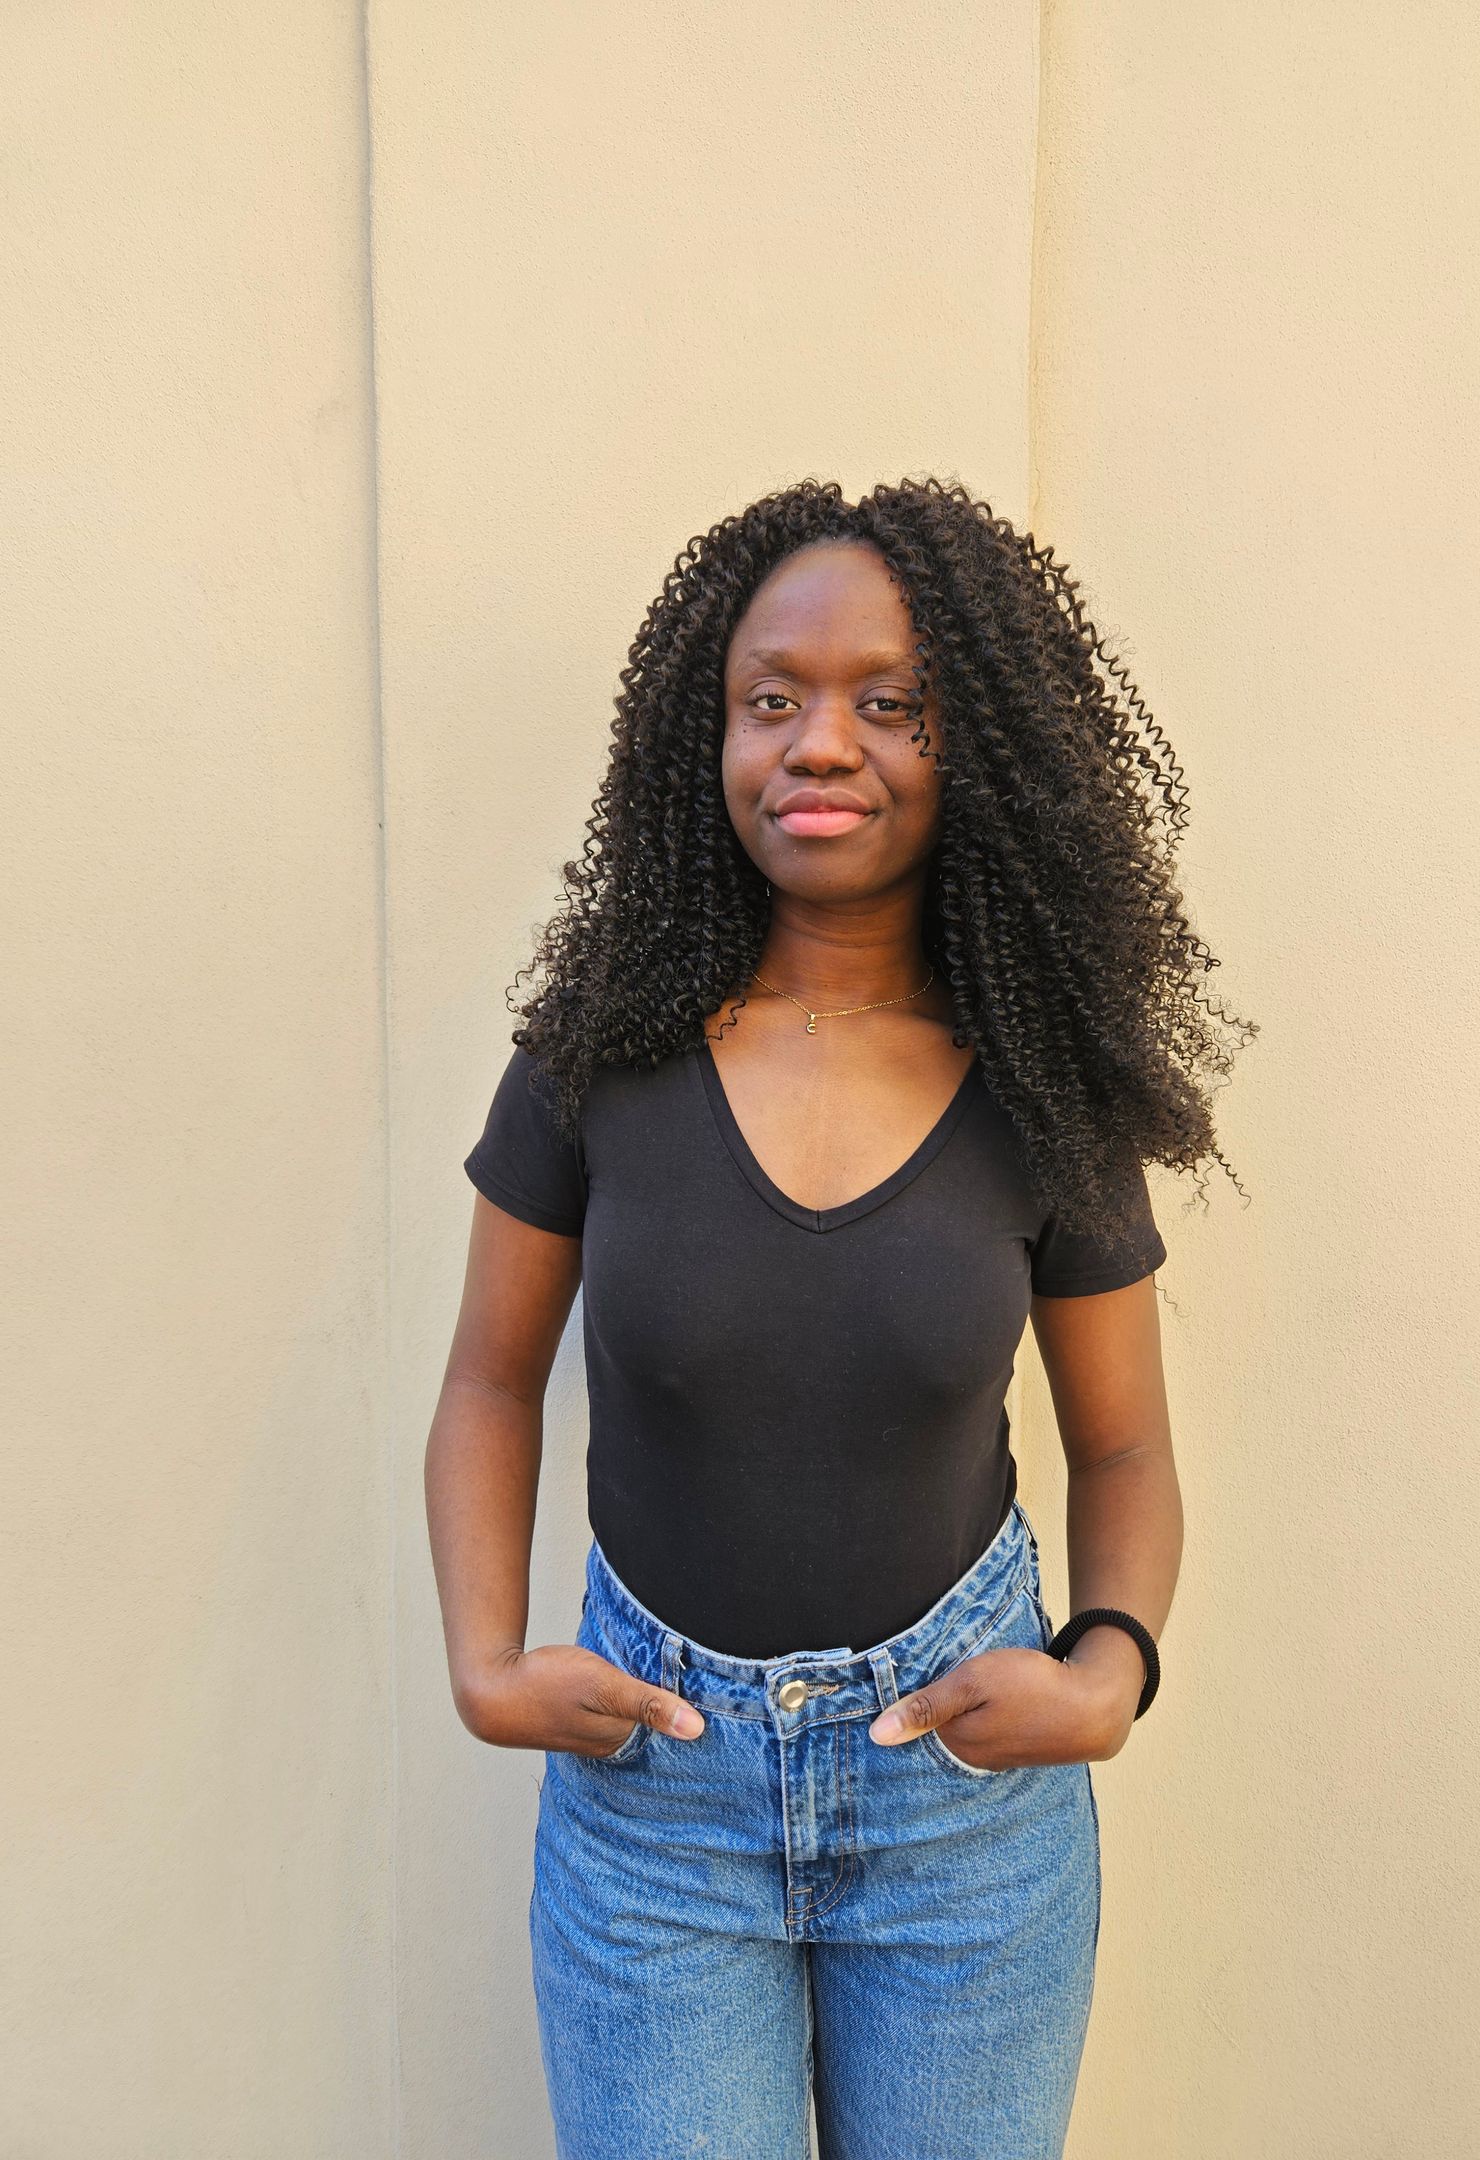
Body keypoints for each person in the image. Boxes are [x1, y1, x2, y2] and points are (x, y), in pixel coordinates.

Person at [425, 476, 1253, 2160]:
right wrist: (484, 1666)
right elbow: (491, 1383)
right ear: (706, 737)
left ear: (982, 749)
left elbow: (1126, 1446)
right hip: (657, 1811)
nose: (820, 743)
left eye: (891, 703)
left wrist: (1111, 1667)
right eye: (772, 700)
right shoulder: (593, 1057)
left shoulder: (1042, 1088)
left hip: (963, 1806)